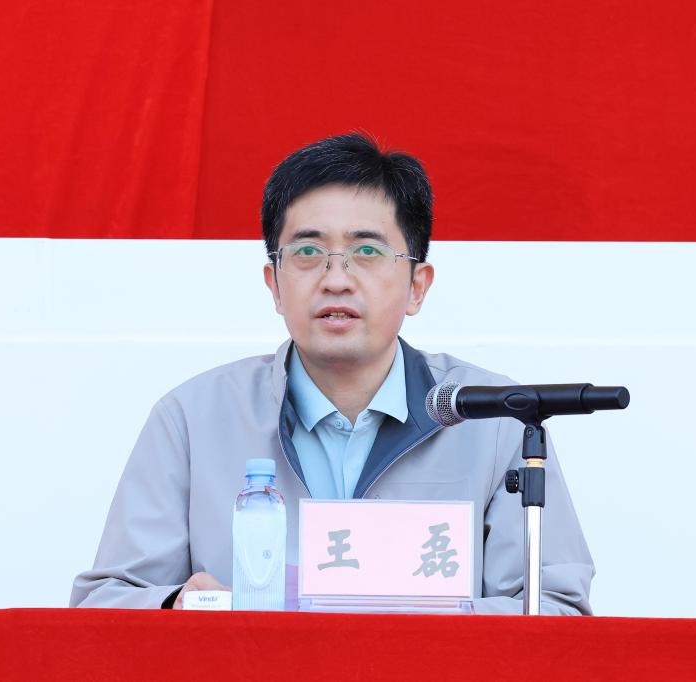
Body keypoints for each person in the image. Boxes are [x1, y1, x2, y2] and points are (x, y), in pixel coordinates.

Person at [70, 133, 594, 614]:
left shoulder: (492, 419)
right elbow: (104, 603)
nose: (336, 279)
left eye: (367, 251)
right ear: (275, 284)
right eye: (307, 252)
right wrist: (184, 606)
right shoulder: (191, 419)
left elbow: (556, 609)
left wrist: (408, 617)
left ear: (417, 286)